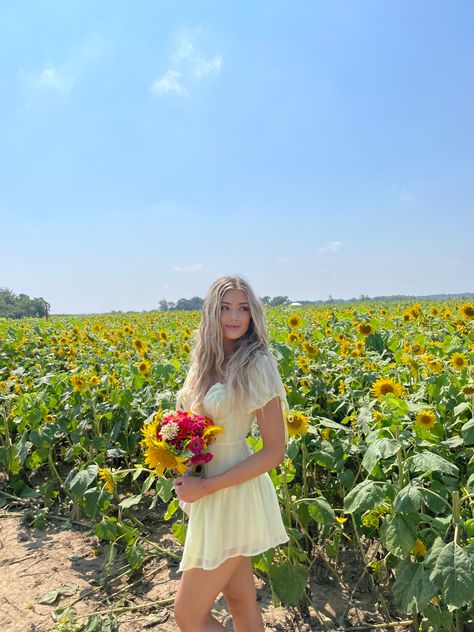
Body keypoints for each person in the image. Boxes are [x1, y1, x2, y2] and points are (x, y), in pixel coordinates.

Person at [172, 275, 290, 632]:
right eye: (225, 308)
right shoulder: (206, 362)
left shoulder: (257, 364)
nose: (234, 317)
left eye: (242, 308)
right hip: (209, 493)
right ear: (212, 313)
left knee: (188, 616)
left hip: (234, 493)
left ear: (253, 314)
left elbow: (274, 452)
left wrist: (208, 488)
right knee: (240, 603)